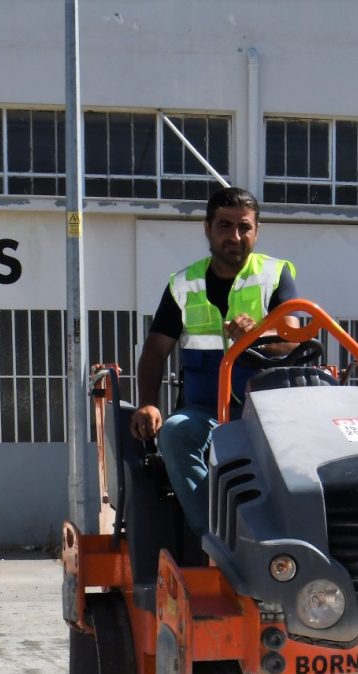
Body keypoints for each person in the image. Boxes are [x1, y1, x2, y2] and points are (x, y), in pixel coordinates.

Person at [132, 186, 300, 534]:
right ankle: (220, 538)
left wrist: (259, 334)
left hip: (268, 414)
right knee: (175, 434)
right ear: (207, 229)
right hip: (205, 412)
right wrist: (147, 403)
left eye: (244, 227)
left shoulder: (275, 274)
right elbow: (155, 350)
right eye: (225, 226)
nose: (235, 236)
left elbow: (291, 336)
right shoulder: (183, 284)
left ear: (256, 231)